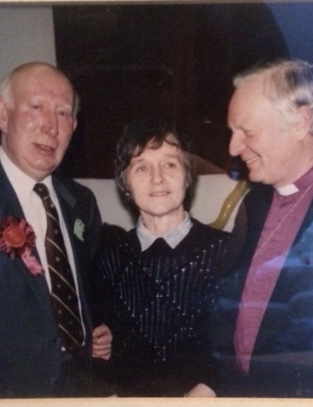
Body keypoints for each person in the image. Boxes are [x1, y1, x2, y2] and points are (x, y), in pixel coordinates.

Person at [0, 62, 112, 398]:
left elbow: (79, 290)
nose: (50, 126)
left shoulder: (80, 202)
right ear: (2, 114)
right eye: (37, 106)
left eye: (63, 113)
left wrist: (96, 327)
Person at [214, 59, 313, 398]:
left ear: (301, 122)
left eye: (247, 132)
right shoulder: (251, 200)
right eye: (232, 132)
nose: (232, 148)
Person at [90, 118, 242, 397]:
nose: (157, 178)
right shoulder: (109, 256)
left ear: (188, 176)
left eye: (170, 164)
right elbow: (95, 346)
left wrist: (208, 390)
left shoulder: (225, 251)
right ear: (125, 182)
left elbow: (236, 350)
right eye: (142, 167)